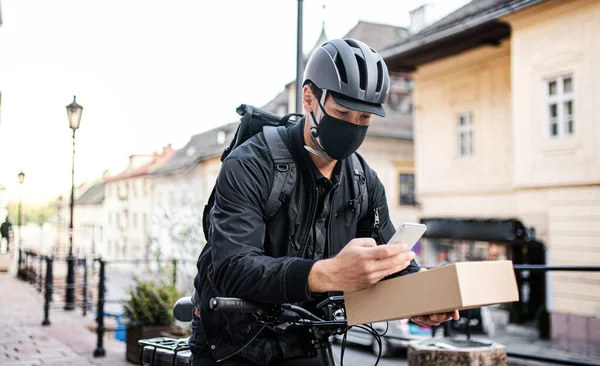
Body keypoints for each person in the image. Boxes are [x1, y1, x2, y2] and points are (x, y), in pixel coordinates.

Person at [189, 38, 459, 366]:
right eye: (342, 113)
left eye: (364, 119)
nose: (352, 128)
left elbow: (387, 257)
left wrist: (419, 297)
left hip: (306, 339)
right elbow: (234, 268)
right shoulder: (250, 164)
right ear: (309, 98)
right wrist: (326, 274)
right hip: (231, 342)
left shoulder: (364, 180)